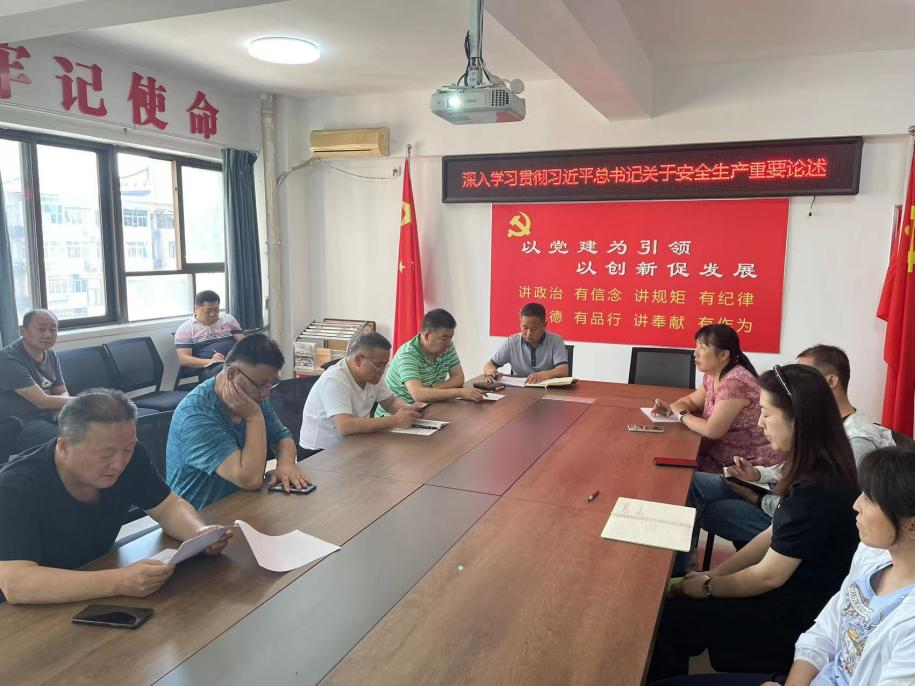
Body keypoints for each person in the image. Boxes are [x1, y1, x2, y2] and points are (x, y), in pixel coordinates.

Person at [647, 364, 861, 681]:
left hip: (799, 613)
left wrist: (707, 587)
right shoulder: (817, 464)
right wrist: (715, 574)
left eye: (767, 413)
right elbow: (773, 533)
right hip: (796, 591)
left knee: (669, 620)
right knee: (680, 610)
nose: (760, 423)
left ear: (799, 420)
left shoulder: (817, 489)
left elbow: (768, 577)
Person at [650, 445, 915, 686]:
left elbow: (769, 576)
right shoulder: (872, 554)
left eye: (870, 499)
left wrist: (709, 585)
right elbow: (822, 634)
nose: (856, 505)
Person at [0, 389, 230, 605]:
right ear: (65, 447)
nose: (119, 464)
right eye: (106, 455)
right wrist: (118, 581)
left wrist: (198, 534)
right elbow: (16, 582)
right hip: (30, 609)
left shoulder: (130, 456)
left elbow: (167, 507)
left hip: (94, 576)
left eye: (127, 449)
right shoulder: (14, 488)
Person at [683, 345, 895, 562]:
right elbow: (797, 466)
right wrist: (757, 474)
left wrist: (756, 498)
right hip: (778, 492)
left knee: (713, 511)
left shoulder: (857, 441)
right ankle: (681, 567)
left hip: (794, 517)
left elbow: (825, 507)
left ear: (830, 381)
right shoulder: (816, 422)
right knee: (689, 484)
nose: (791, 384)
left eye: (803, 375)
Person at [166, 334, 308, 509]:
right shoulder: (195, 416)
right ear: (232, 374)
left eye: (271, 383)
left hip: (244, 504)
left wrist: (286, 464)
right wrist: (254, 417)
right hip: (203, 515)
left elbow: (281, 436)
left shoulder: (253, 395)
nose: (266, 393)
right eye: (261, 384)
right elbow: (249, 480)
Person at [652, 324, 780, 473]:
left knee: (674, 473)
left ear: (723, 355)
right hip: (718, 455)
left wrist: (681, 414)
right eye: (696, 346)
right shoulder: (713, 374)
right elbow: (692, 402)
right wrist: (672, 408)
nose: (695, 353)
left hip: (744, 467)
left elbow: (712, 430)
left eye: (702, 348)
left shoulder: (735, 382)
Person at [299, 332, 421, 452]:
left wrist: (410, 411)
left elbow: (390, 402)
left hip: (353, 443)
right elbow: (345, 426)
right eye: (379, 365)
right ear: (358, 360)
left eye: (385, 365)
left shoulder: (372, 376)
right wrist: (395, 420)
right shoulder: (335, 379)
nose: (382, 371)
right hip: (320, 452)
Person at [381, 308, 483, 414]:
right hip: (398, 415)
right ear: (427, 335)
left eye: (451, 337)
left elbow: (458, 378)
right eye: (444, 338)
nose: (448, 343)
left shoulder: (447, 346)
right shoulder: (408, 354)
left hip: (430, 408)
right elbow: (418, 395)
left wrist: (433, 388)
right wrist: (459, 392)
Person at [0, 309, 72, 453]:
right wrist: (85, 400)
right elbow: (42, 401)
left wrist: (59, 409)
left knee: (96, 429)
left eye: (53, 330)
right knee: (72, 442)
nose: (48, 335)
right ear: (24, 331)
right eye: (41, 329)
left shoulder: (50, 353)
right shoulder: (8, 360)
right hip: (21, 424)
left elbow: (61, 391)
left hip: (48, 415)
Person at [483, 302, 569, 385]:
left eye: (534, 329)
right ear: (520, 323)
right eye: (525, 328)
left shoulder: (555, 341)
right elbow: (489, 365)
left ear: (544, 325)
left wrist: (542, 375)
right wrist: (492, 372)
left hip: (547, 390)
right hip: (519, 389)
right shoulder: (512, 342)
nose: (528, 333)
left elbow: (563, 370)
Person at [174, 290, 245, 381]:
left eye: (216, 310)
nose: (213, 314)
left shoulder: (229, 320)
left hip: (236, 361)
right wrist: (211, 361)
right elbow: (184, 359)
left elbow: (243, 343)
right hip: (210, 368)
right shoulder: (185, 329)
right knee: (228, 371)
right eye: (208, 311)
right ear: (196, 308)